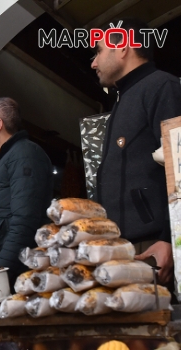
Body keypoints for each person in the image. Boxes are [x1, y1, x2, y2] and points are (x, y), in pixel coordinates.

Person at [91, 19, 181, 284]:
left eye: (98, 51)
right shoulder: (124, 98)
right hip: (125, 247)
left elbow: (180, 167)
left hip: (154, 245)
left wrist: (170, 237)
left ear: (123, 48)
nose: (93, 63)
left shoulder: (162, 87)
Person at [0, 98, 53, 285]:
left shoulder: (24, 155)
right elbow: (0, 216)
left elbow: (25, 220)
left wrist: (2, 271)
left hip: (11, 273)